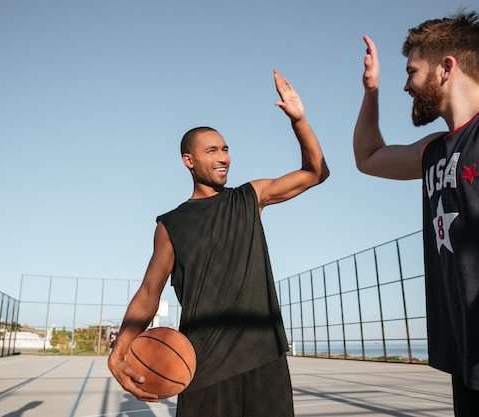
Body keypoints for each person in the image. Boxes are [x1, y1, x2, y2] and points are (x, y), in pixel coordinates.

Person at [108, 69, 329, 416]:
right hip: (202, 367)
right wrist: (118, 352)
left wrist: (299, 121)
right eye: (212, 151)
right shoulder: (171, 225)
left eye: (225, 149)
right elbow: (149, 293)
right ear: (189, 160)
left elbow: (316, 172)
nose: (223, 157)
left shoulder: (250, 197)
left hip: (264, 357)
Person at [353, 9, 479, 417]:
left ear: (446, 67)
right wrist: (370, 90)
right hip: (471, 361)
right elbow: (368, 157)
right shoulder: (434, 148)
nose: (406, 85)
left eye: (412, 71)